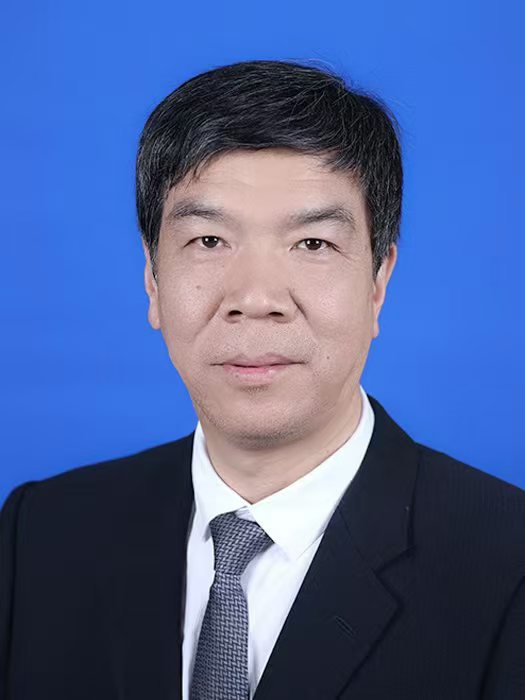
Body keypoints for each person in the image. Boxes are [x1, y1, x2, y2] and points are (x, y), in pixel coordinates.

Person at [1, 59, 524, 700]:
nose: (255, 298)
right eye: (209, 240)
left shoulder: (507, 565)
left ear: (378, 283)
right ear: (152, 280)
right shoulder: (41, 534)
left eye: (312, 245)